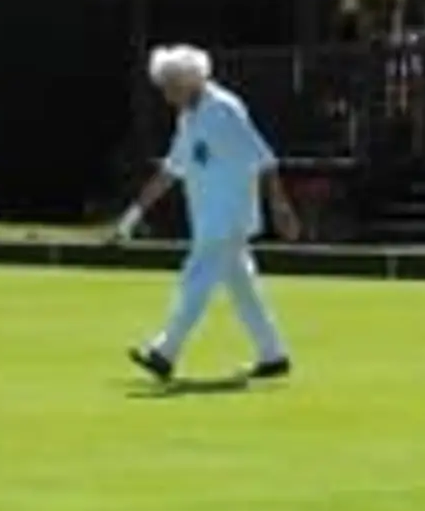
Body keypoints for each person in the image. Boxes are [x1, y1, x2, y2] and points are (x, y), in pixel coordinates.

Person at [113, 45, 299, 383]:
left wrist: (280, 204)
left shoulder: (224, 110)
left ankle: (164, 352)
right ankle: (273, 355)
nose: (167, 96)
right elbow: (172, 169)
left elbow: (264, 157)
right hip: (210, 216)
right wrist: (133, 215)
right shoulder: (188, 117)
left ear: (189, 81)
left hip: (227, 216)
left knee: (195, 280)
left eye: (170, 87)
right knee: (243, 288)